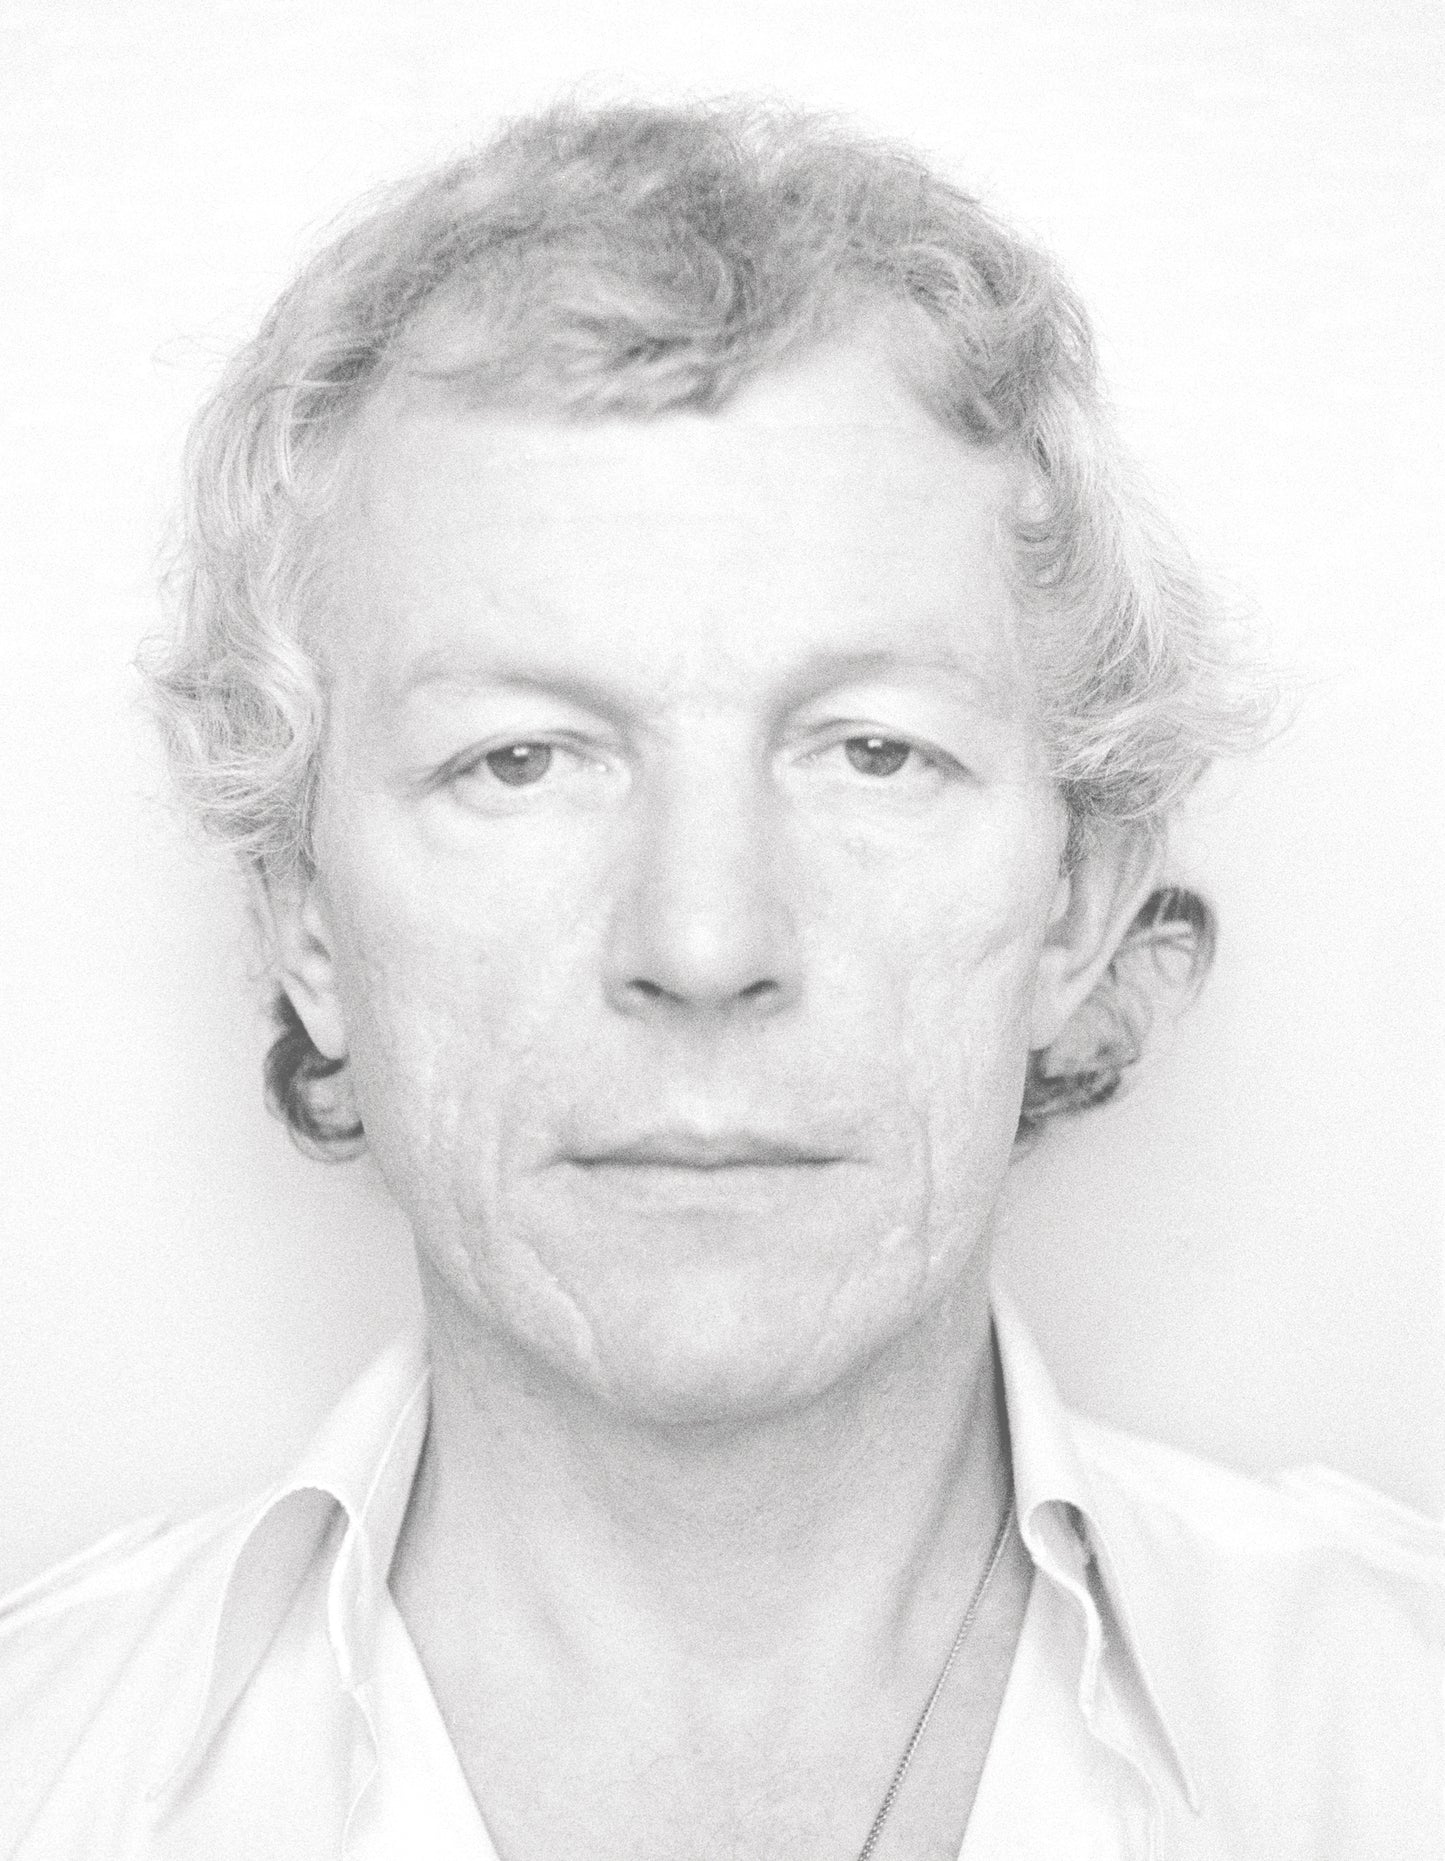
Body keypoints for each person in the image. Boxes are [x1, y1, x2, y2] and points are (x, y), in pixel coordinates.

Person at [1, 99, 1439, 1861]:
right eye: (520, 759)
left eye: (872, 751)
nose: (702, 942)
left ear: (1074, 900)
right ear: (305, 921)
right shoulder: (42, 1770)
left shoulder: (1397, 1730)